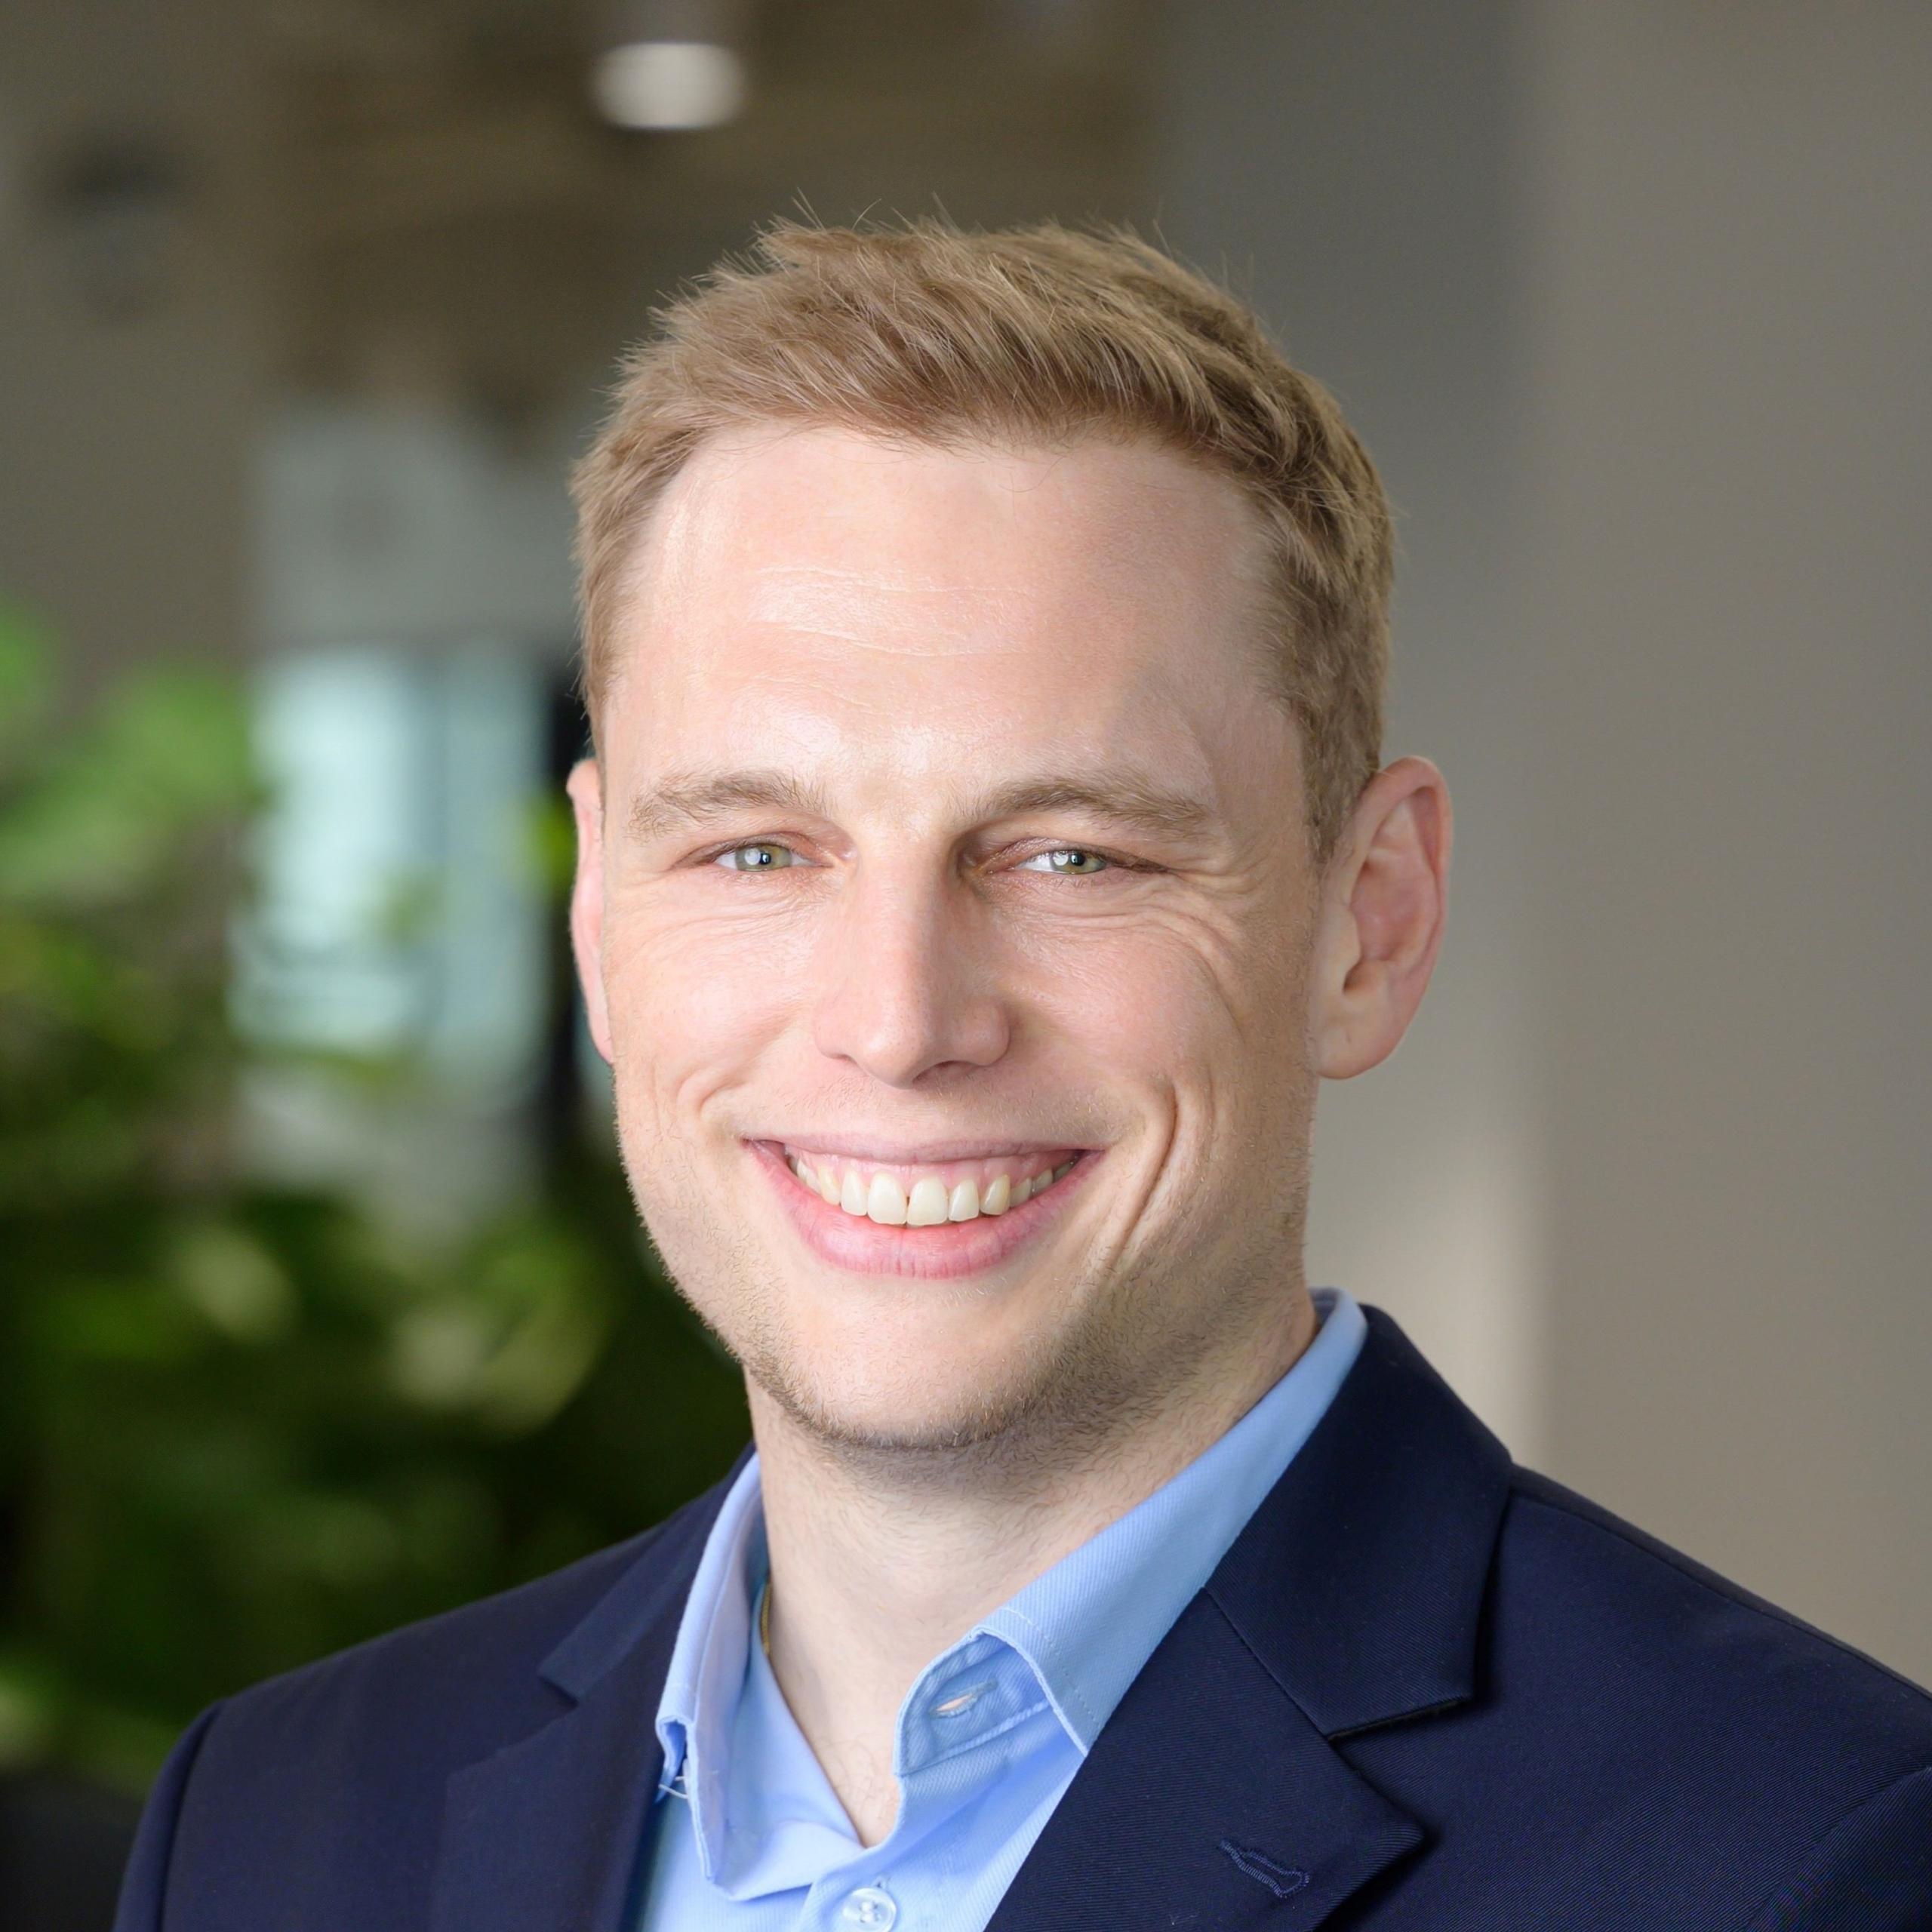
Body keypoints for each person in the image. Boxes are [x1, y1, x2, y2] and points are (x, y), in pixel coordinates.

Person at [116, 220, 1932, 1932]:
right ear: (597, 918)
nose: (900, 1019)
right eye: (755, 848)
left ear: (1363, 928)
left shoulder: (1797, 1854)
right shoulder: (278, 1823)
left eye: (1072, 853)